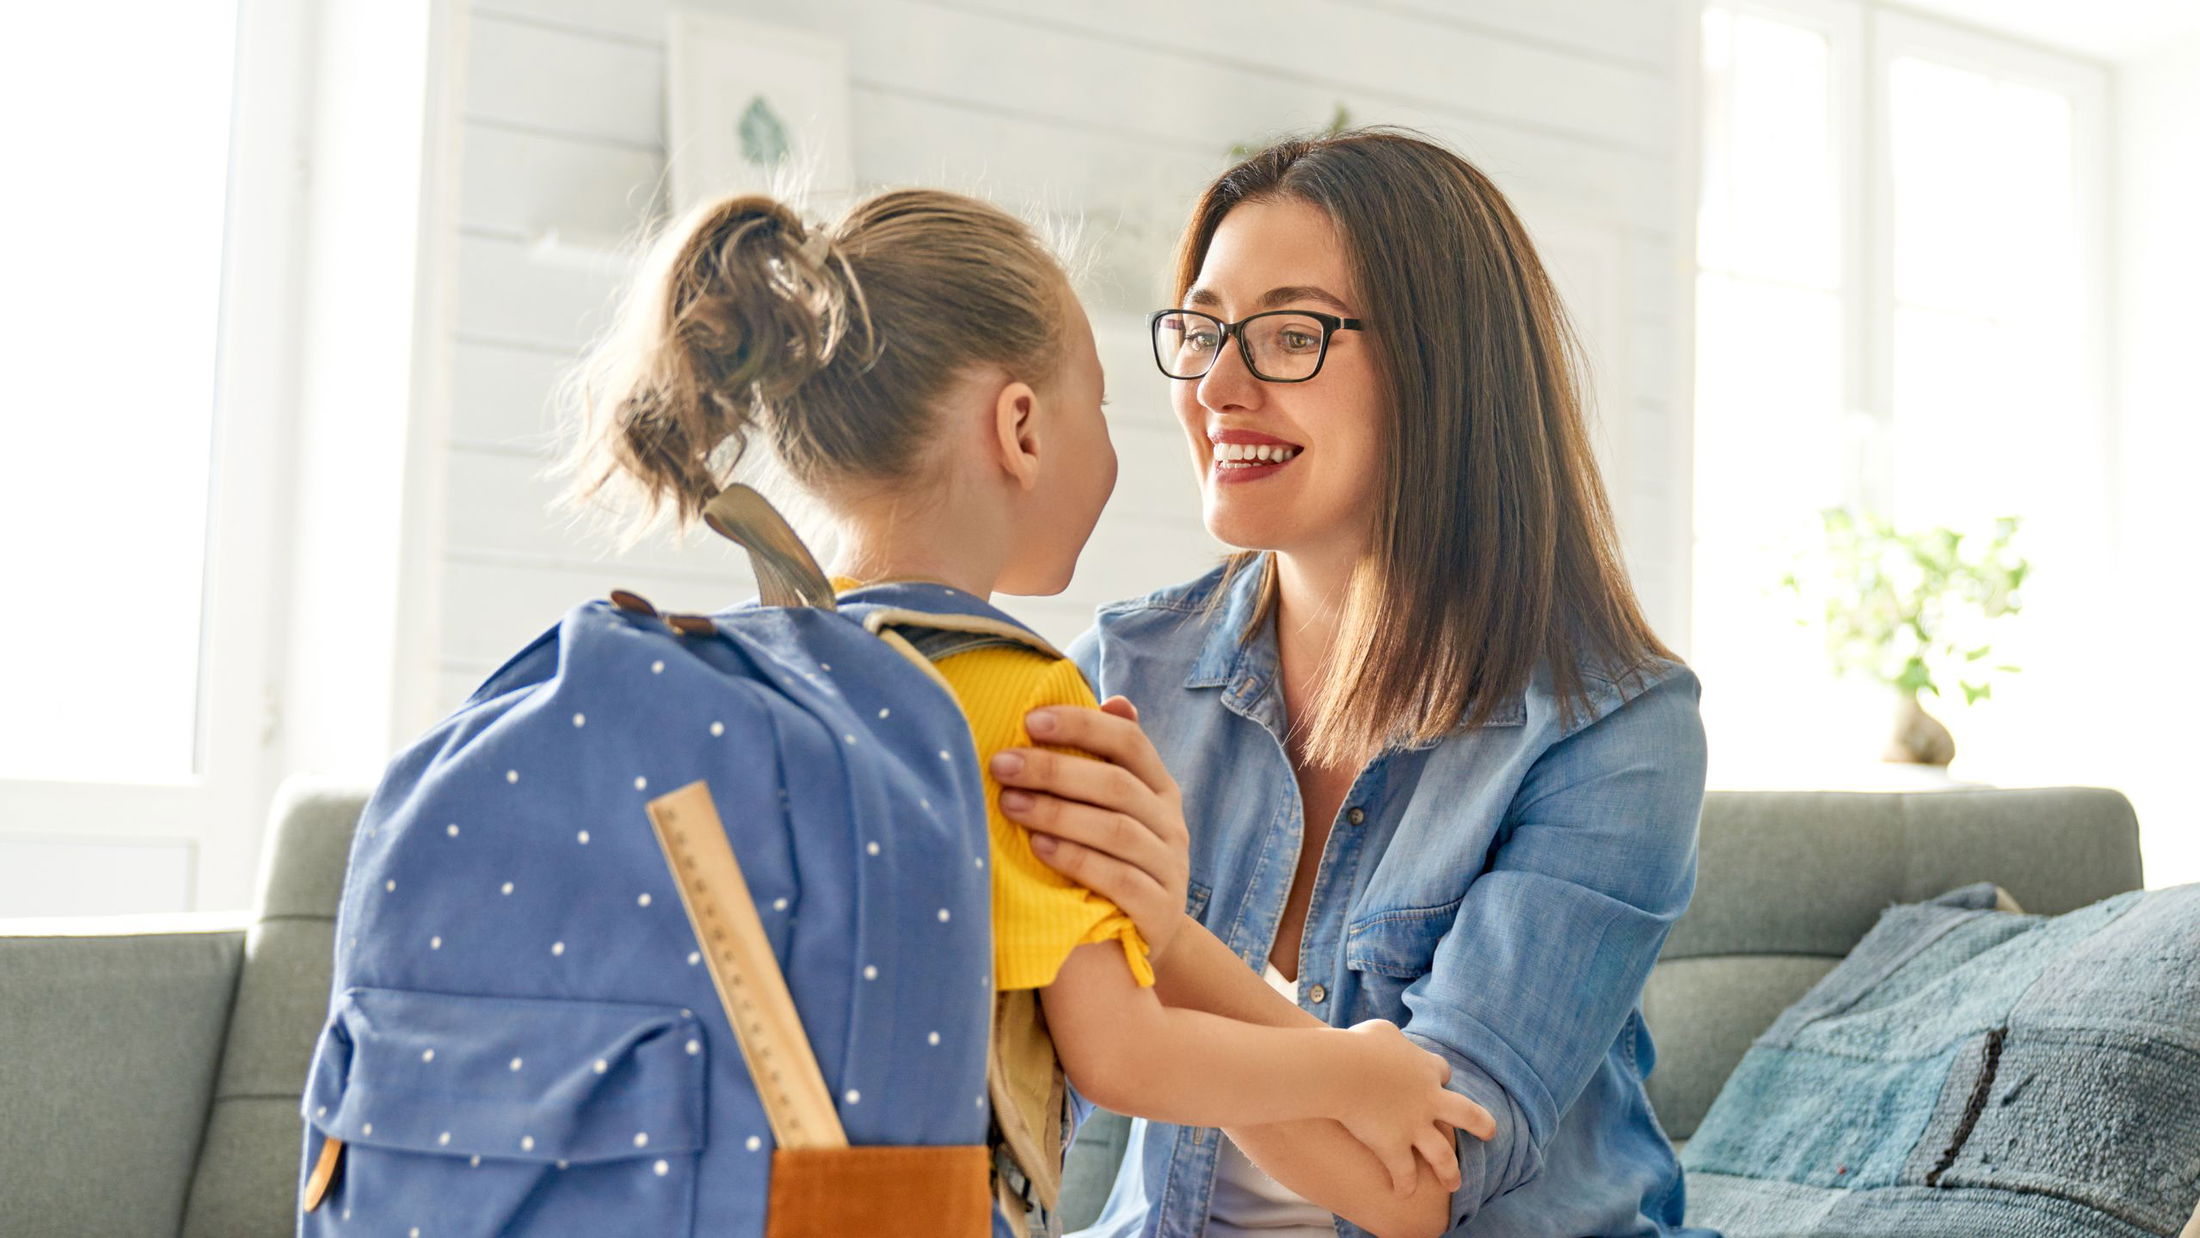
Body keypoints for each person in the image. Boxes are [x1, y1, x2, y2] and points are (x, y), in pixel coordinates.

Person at [556, 185, 1493, 1234]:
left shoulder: (738, 669)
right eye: (1093, 402)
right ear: (1019, 429)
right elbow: (1123, 1051)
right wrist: (1352, 1067)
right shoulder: (1015, 695)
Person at [986, 130, 1718, 1237]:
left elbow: (1425, 1183)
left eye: (1288, 335)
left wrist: (1169, 941)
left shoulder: (1615, 729)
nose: (1217, 389)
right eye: (1202, 331)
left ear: (1443, 371)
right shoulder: (1120, 673)